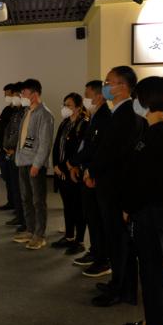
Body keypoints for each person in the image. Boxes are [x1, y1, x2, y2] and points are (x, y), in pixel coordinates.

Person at [120, 76, 163, 325]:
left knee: (152, 272)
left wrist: (129, 207)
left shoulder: (160, 134)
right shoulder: (154, 130)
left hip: (151, 212)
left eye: (138, 97)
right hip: (149, 211)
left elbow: (148, 182)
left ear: (148, 99)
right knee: (148, 270)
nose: (135, 102)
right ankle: (150, 322)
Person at [86, 65, 146, 306]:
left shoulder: (127, 115)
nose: (105, 87)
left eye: (108, 82)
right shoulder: (118, 113)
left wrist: (93, 170)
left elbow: (114, 154)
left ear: (122, 86)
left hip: (116, 188)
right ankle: (117, 283)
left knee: (119, 240)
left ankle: (122, 289)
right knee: (114, 238)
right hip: (109, 184)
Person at [68, 81, 112, 275]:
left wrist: (82, 166)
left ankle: (103, 259)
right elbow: (86, 145)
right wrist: (76, 164)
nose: (85, 99)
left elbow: (97, 149)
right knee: (91, 217)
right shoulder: (94, 116)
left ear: (99, 96)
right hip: (87, 172)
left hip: (95, 175)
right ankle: (95, 251)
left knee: (98, 219)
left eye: (88, 95)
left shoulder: (105, 117)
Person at [12, 79, 55, 250]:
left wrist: (37, 164)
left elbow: (45, 143)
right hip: (23, 161)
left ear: (35, 94)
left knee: (38, 201)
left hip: (35, 164)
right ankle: (30, 230)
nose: (21, 96)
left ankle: (39, 235)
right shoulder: (27, 111)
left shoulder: (45, 114)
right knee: (26, 198)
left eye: (24, 93)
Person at [51, 93, 89, 254]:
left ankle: (79, 241)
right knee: (67, 206)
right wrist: (55, 165)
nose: (65, 108)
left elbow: (82, 150)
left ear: (78, 107)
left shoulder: (84, 124)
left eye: (69, 105)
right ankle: (69, 236)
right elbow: (57, 145)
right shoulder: (65, 122)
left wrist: (68, 166)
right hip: (60, 172)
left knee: (78, 207)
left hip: (73, 172)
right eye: (64, 104)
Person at [2, 84, 27, 232]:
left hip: (19, 154)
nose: (14, 98)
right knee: (14, 186)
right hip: (10, 153)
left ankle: (24, 218)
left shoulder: (26, 112)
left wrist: (12, 146)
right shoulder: (15, 112)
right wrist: (6, 145)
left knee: (21, 188)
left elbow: (21, 133)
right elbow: (8, 129)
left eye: (17, 95)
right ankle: (19, 215)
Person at [0, 84, 18, 210]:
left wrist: (12, 147)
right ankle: (11, 202)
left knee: (14, 177)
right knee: (6, 175)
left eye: (7, 94)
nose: (6, 97)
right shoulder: (7, 109)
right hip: (4, 148)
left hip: (13, 150)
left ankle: (17, 205)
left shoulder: (20, 111)